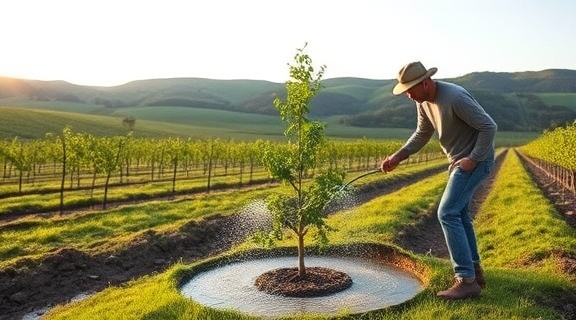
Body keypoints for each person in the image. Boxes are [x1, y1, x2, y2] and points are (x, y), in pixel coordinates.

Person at [380, 61, 497, 300]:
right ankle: (475, 272)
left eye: (410, 90)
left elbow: (489, 127)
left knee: (447, 213)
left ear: (425, 82)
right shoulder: (422, 101)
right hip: (459, 160)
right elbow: (423, 133)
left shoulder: (455, 97)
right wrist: (399, 156)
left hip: (477, 160)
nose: (408, 96)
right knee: (460, 214)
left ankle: (466, 280)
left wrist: (473, 159)